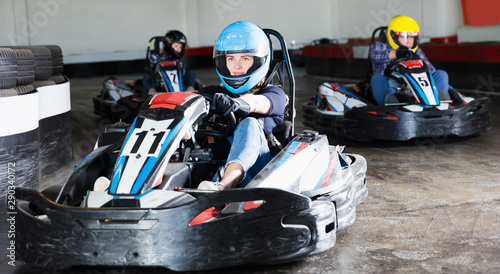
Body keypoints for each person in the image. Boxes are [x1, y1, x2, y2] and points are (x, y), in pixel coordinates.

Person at [197, 21, 287, 190]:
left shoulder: (274, 94)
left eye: (245, 58)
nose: (236, 66)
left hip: (260, 178)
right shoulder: (213, 92)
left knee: (250, 123)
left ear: (258, 61)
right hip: (213, 174)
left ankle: (225, 185)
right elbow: (190, 100)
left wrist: (236, 103)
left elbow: (255, 103)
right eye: (230, 58)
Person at [369, 15, 449, 105]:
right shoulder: (380, 46)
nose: (409, 41)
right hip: (392, 89)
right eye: (404, 37)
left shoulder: (416, 51)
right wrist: (397, 53)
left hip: (415, 87)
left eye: (411, 37)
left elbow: (431, 70)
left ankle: (439, 99)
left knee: (441, 74)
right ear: (393, 37)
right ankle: (389, 102)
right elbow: (375, 56)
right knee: (377, 78)